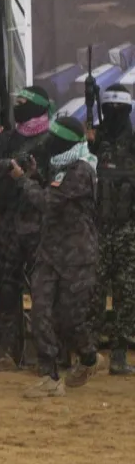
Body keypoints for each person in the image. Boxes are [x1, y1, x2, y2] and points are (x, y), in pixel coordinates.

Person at [19, 117, 101, 397]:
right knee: (40, 310)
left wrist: (22, 181)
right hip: (50, 253)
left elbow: (47, 201)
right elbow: (51, 191)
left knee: (70, 319)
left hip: (76, 256)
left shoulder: (81, 170)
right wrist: (35, 176)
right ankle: (49, 375)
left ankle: (89, 358)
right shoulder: (60, 166)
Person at [0, 85, 54, 373]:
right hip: (9, 220)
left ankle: (49, 354)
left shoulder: (51, 140)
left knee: (43, 290)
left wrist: (29, 175)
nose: (18, 106)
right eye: (17, 101)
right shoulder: (10, 138)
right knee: (6, 285)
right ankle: (8, 351)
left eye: (24, 102)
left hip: (38, 222)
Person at [91, 89, 135, 376]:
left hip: (127, 230)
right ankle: (88, 354)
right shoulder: (93, 142)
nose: (114, 114)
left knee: (126, 293)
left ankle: (119, 355)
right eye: (109, 108)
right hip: (97, 229)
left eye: (119, 109)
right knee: (92, 292)